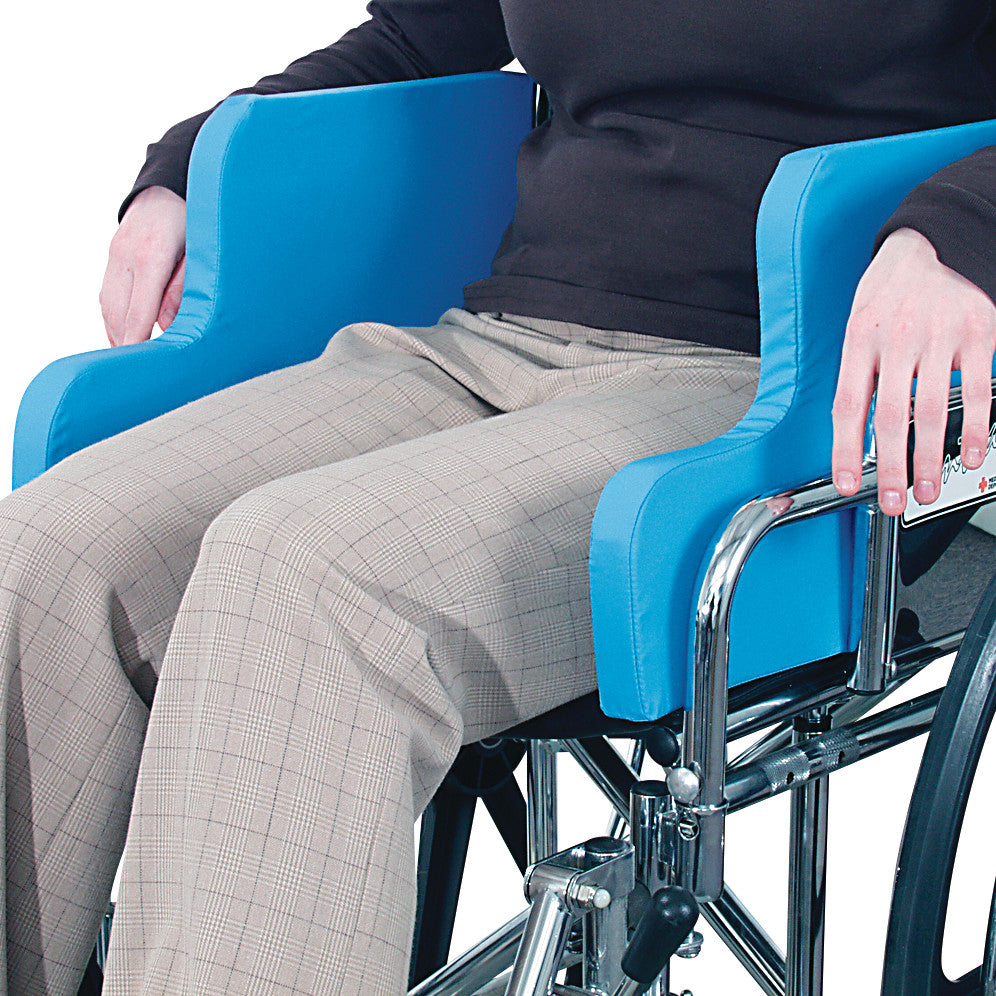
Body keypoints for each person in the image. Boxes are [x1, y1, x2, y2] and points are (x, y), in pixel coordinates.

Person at [2, 1, 995, 993]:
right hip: (501, 332)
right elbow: (418, 39)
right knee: (50, 555)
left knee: (303, 579)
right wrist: (193, 163)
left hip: (787, 386)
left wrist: (963, 228)